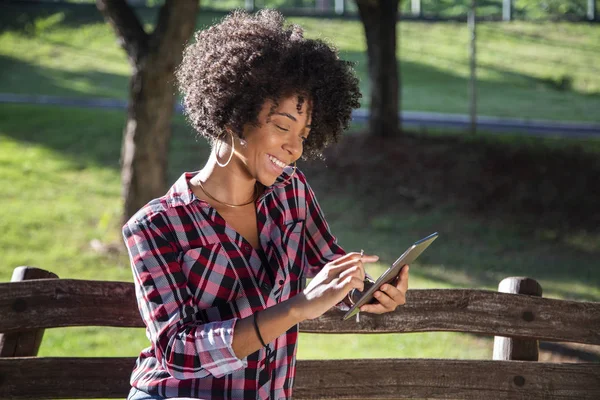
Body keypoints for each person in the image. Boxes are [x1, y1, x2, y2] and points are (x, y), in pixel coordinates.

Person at [122, 9, 410, 400]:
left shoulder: (291, 193)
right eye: (281, 126)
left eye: (304, 133)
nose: (295, 147)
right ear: (233, 117)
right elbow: (177, 351)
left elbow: (331, 270)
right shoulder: (156, 226)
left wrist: (370, 292)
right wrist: (296, 308)